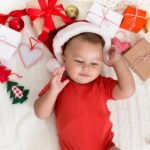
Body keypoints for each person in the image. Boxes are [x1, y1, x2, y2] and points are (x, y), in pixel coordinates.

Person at [34, 22, 135, 150]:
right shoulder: (59, 84)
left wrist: (117, 62)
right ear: (64, 59)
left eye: (94, 63)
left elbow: (127, 90)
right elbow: (41, 114)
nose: (86, 67)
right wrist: (52, 92)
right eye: (79, 61)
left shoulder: (101, 85)